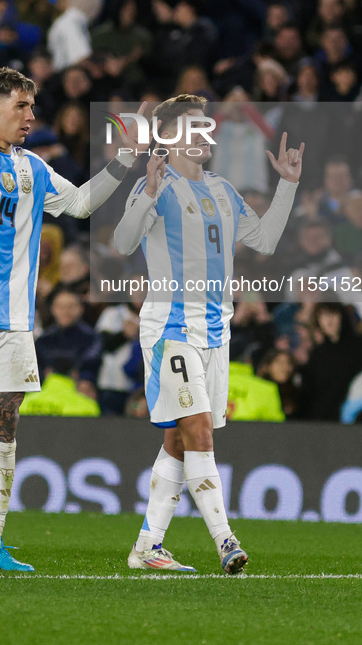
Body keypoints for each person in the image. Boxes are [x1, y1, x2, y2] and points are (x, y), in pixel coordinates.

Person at [0, 67, 146, 573]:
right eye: (22, 106)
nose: (31, 116)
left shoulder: (35, 167)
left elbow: (80, 204)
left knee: (2, 422)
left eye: (32, 107)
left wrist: (124, 161)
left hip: (13, 319)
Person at [114, 94, 304, 574]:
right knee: (197, 431)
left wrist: (287, 186)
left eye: (207, 127)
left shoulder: (222, 189)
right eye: (195, 127)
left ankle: (147, 547)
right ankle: (226, 541)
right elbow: (122, 241)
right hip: (171, 330)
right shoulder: (157, 184)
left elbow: (264, 240)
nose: (206, 135)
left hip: (216, 333)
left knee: (178, 442)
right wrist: (149, 194)